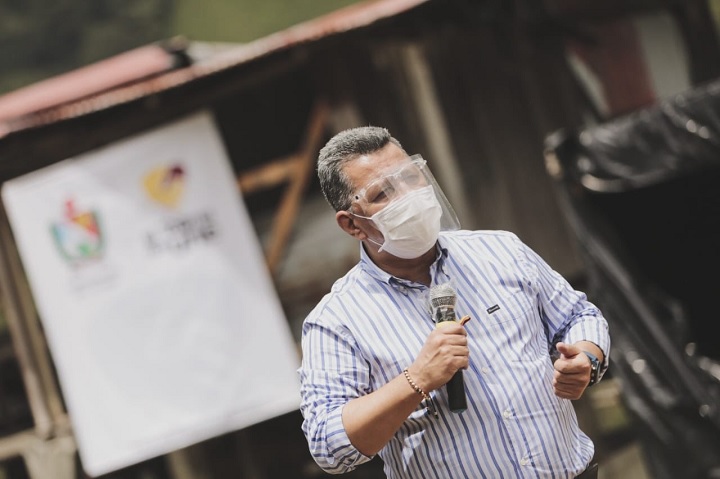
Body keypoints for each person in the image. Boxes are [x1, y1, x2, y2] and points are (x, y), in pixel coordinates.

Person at [298, 126, 610, 478]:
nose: (407, 196)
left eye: (410, 177)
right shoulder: (337, 320)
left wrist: (586, 357)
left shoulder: (500, 250)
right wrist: (416, 379)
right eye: (382, 192)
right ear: (352, 225)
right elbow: (328, 446)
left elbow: (578, 315)